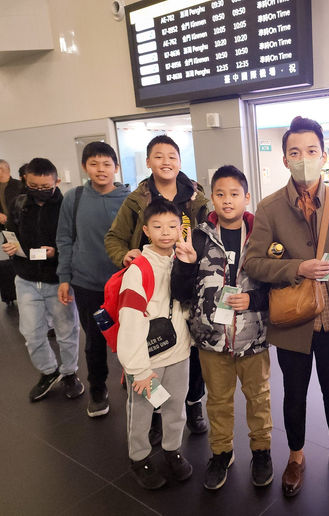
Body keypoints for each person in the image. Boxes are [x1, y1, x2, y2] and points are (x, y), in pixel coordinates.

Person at [244, 116, 329, 497]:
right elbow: (253, 263)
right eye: (295, 153)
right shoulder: (269, 208)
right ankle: (295, 457)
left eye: (311, 151)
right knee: (294, 393)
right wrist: (296, 268)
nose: (303, 159)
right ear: (285, 159)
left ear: (324, 155)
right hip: (292, 320)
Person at [172, 165, 273, 490]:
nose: (227, 200)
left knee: (259, 398)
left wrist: (254, 300)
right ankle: (221, 453)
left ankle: (261, 452)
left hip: (253, 337)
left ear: (247, 197)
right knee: (217, 400)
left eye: (234, 194)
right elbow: (181, 292)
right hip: (211, 338)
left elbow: (278, 286)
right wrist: (186, 265)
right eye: (220, 194)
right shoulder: (198, 237)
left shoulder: (264, 237)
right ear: (211, 198)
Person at [105, 134, 209, 438]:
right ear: (149, 161)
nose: (166, 162)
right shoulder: (137, 200)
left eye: (172, 156)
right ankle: (153, 413)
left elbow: (208, 237)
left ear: (180, 162)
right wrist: (124, 255)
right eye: (159, 156)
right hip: (151, 282)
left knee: (191, 349)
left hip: (188, 279)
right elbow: (114, 238)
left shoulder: (196, 198)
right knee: (153, 346)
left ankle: (193, 403)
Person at [117, 198, 193, 490]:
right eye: (158, 226)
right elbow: (130, 320)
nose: (166, 232)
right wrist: (138, 369)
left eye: (172, 226)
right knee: (142, 409)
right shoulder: (138, 269)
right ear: (146, 230)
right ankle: (139, 458)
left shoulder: (181, 260)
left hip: (178, 352)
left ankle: (173, 449)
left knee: (175, 405)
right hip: (147, 359)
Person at [56, 142, 130, 417]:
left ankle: (132, 377)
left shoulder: (129, 199)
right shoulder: (73, 198)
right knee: (95, 341)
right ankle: (98, 389)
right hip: (87, 284)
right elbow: (64, 239)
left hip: (124, 285)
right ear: (84, 167)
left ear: (116, 167)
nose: (101, 170)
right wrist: (64, 277)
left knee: (130, 337)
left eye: (107, 164)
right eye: (94, 164)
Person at [1, 158, 84, 402]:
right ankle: (49, 371)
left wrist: (56, 253)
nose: (39, 191)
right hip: (25, 278)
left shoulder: (67, 206)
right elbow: (11, 234)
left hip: (57, 279)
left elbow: (76, 242)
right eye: (34, 186)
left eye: (45, 186)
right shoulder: (19, 203)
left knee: (66, 330)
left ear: (56, 182)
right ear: (25, 180)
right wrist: (10, 246)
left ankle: (70, 373)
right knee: (31, 332)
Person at [0, 159, 23, 305]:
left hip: (20, 230)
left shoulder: (18, 186)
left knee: (20, 259)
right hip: (5, 231)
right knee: (9, 262)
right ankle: (10, 295)